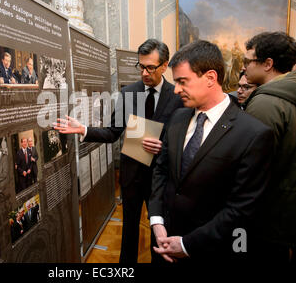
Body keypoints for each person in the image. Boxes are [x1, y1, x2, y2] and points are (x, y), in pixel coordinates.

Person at [53, 39, 183, 263]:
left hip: (161, 178)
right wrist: (83, 129)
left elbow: (183, 140)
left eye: (150, 67)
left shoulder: (178, 96)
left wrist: (165, 147)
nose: (144, 72)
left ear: (164, 65)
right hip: (132, 175)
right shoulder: (128, 93)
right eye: (141, 66)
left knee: (159, 230)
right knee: (129, 229)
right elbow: (113, 132)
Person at [148, 40, 274, 265]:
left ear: (210, 78)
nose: (176, 90)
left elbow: (241, 209)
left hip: (210, 252)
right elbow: (161, 171)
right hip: (163, 243)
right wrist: (156, 221)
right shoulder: (177, 118)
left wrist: (187, 245)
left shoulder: (253, 134)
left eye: (182, 81)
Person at [243, 31, 296, 264]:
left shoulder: (266, 103)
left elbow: (251, 167)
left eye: (247, 61)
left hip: (268, 215)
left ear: (268, 64)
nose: (243, 67)